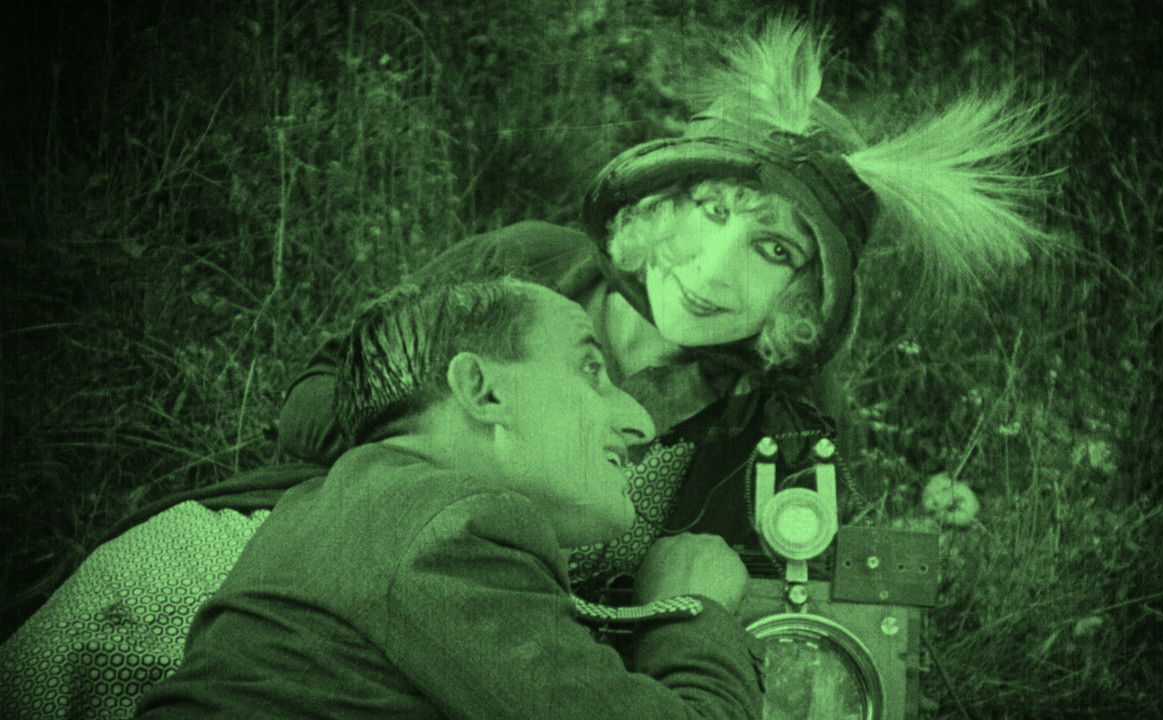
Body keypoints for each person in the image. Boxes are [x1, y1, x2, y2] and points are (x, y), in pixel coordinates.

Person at [0, 14, 1071, 718]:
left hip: (553, 647)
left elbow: (765, 584)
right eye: (708, 213)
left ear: (803, 302)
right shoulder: (523, 269)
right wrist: (469, 444)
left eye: (773, 251)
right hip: (338, 558)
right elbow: (325, 400)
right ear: (660, 205)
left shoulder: (782, 425)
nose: (715, 271)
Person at [130, 279, 765, 718]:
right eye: (591, 370)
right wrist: (692, 607)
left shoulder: (337, 510)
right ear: (483, 392)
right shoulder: (449, 528)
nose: (640, 422)